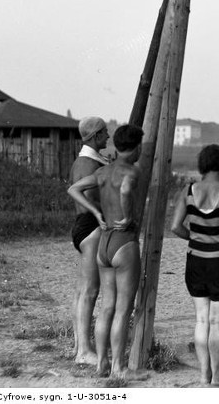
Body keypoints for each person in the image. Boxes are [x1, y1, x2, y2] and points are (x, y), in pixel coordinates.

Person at [68, 124, 147, 380]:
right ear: (136, 147)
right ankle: (119, 368)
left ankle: (102, 363)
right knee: (123, 310)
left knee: (106, 308)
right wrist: (127, 216)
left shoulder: (102, 171)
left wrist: (96, 212)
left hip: (104, 243)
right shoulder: (132, 171)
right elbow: (125, 189)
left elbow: (73, 189)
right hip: (124, 241)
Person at [170, 144, 219, 387]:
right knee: (217, 322)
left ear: (203, 164)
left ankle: (204, 375)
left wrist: (195, 238)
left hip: (196, 260)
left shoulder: (188, 190)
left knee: (201, 320)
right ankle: (218, 376)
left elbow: (175, 227)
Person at [68, 116, 110, 365]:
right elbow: (79, 192)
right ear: (95, 136)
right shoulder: (87, 163)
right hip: (90, 227)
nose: (108, 135)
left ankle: (79, 345)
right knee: (90, 290)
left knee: (83, 289)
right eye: (105, 132)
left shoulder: (87, 160)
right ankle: (84, 350)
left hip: (85, 227)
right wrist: (99, 212)